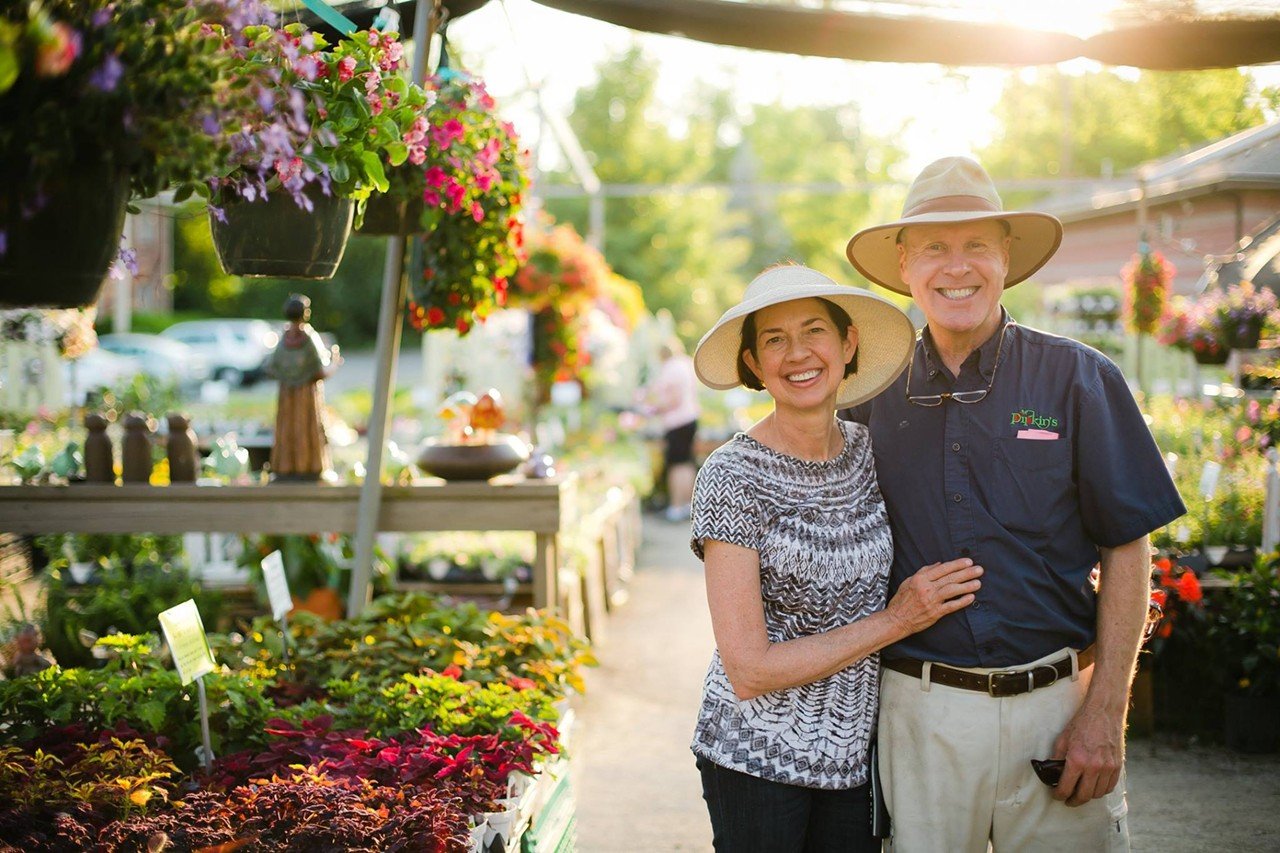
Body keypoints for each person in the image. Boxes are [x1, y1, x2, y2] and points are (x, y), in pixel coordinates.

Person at [842, 157, 1187, 851]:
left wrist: (1104, 713)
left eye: (976, 244)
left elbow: (1128, 545)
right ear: (905, 264)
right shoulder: (867, 399)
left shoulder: (1080, 378)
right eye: (934, 247)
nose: (956, 266)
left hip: (1056, 711)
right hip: (921, 716)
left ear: (1006, 256)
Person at [689, 264, 984, 851]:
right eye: (774, 340)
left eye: (814, 331)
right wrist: (897, 621)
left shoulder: (870, 452)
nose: (798, 354)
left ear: (847, 344)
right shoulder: (731, 475)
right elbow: (748, 668)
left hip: (854, 759)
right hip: (755, 759)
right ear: (753, 363)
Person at [264, 294, 342, 482]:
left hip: (287, 394)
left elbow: (271, 367)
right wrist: (335, 363)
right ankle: (308, 466)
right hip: (306, 395)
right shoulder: (308, 339)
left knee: (287, 429)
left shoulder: (283, 340)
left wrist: (289, 377)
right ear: (305, 314)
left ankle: (285, 466)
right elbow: (319, 371)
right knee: (307, 428)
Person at [646, 337, 701, 521]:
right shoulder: (685, 364)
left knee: (676, 465)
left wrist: (653, 409)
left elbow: (674, 399)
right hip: (690, 418)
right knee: (686, 463)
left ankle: (676, 506)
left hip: (677, 422)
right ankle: (687, 504)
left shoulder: (671, 368)